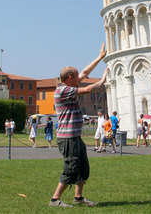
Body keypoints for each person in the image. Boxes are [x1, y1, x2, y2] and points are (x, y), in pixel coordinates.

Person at [48, 43, 107, 208]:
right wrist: (102, 80)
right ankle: (55, 199)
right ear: (69, 79)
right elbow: (87, 89)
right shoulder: (63, 90)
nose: (79, 78)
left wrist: (100, 57)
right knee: (71, 168)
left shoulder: (69, 84)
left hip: (75, 137)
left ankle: (78, 198)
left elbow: (85, 73)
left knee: (83, 168)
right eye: (75, 77)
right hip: (67, 138)